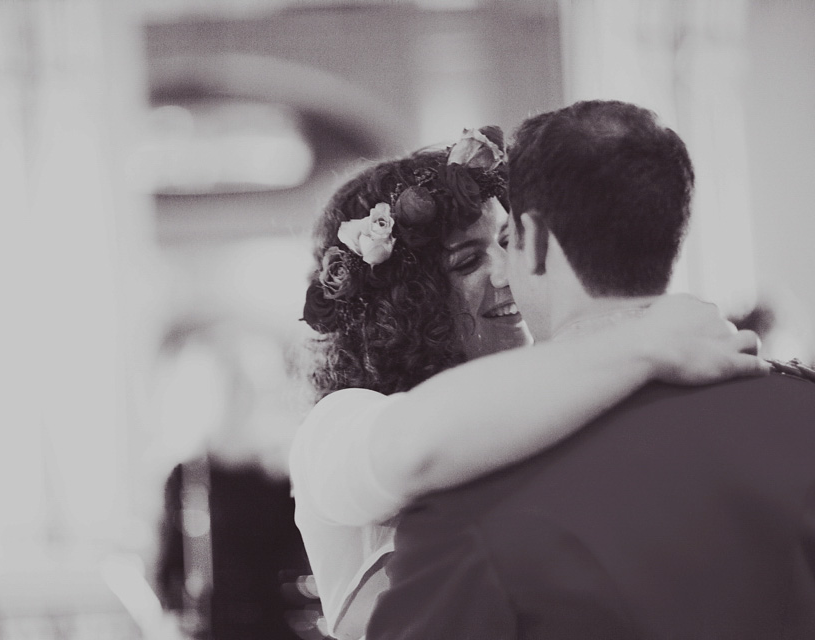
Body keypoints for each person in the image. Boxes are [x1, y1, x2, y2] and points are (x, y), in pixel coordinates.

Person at [290, 125, 769, 639]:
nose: (507, 273)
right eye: (468, 260)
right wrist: (648, 341)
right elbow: (415, 450)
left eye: (507, 242)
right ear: (402, 305)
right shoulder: (336, 424)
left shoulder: (564, 396)